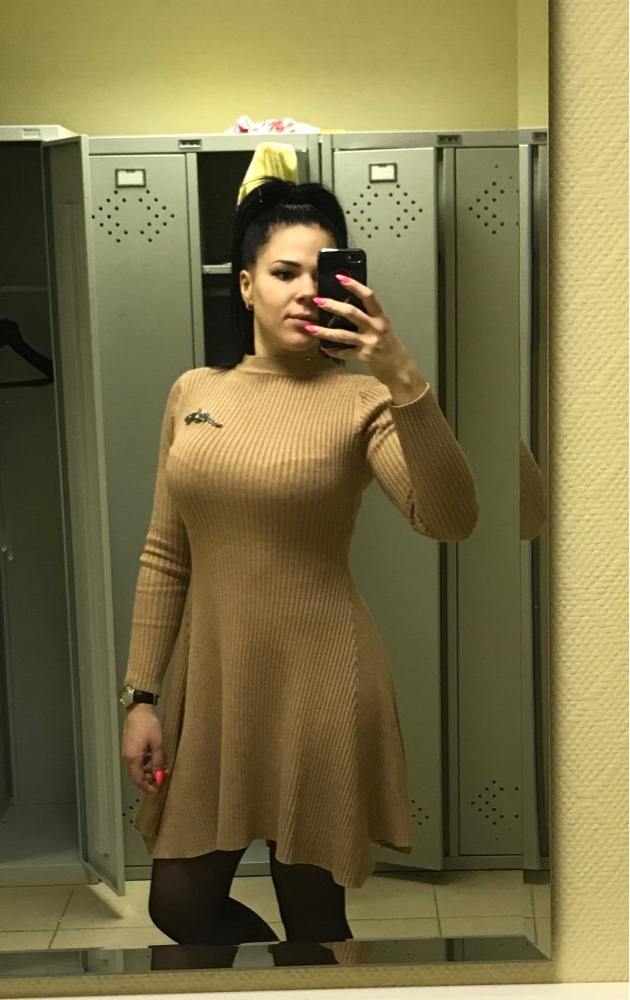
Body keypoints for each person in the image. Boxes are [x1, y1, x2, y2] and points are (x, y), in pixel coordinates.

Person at [119, 178, 479, 964]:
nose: (302, 290)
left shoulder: (362, 400)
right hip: (212, 680)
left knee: (312, 915)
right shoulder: (193, 392)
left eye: (321, 273)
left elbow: (449, 519)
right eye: (284, 272)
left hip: (320, 678)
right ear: (246, 283)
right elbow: (165, 553)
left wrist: (402, 377)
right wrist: (141, 695)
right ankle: (277, 975)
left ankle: (308, 974)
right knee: (180, 904)